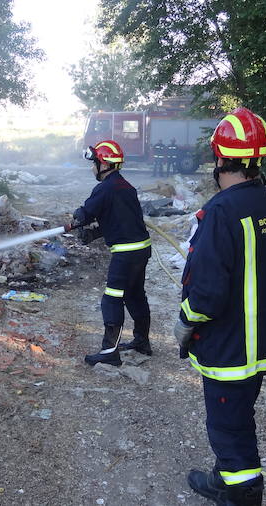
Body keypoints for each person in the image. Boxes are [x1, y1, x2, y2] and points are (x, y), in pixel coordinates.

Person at [174, 107, 266, 506]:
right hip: (263, 343)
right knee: (239, 415)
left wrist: (184, 321)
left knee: (227, 426)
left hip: (228, 346)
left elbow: (206, 293)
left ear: (219, 158)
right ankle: (226, 478)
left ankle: (241, 493)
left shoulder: (221, 212)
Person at [66, 140, 152, 366]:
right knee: (134, 295)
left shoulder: (104, 188)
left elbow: (84, 214)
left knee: (111, 300)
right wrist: (93, 235)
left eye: (94, 162)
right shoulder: (125, 186)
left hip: (125, 254)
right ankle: (142, 342)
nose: (92, 167)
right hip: (141, 250)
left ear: (104, 163)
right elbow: (119, 221)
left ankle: (109, 353)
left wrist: (78, 217)